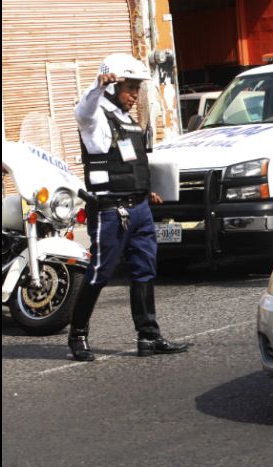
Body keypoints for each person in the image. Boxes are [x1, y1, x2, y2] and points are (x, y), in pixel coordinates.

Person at [68, 53, 188, 362]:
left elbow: (131, 164)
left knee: (145, 270)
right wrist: (97, 86)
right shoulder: (95, 119)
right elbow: (82, 111)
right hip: (110, 211)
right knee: (100, 271)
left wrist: (147, 191)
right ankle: (77, 334)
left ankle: (148, 337)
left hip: (139, 209)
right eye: (130, 88)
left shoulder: (127, 119)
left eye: (137, 88)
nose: (135, 95)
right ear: (111, 86)